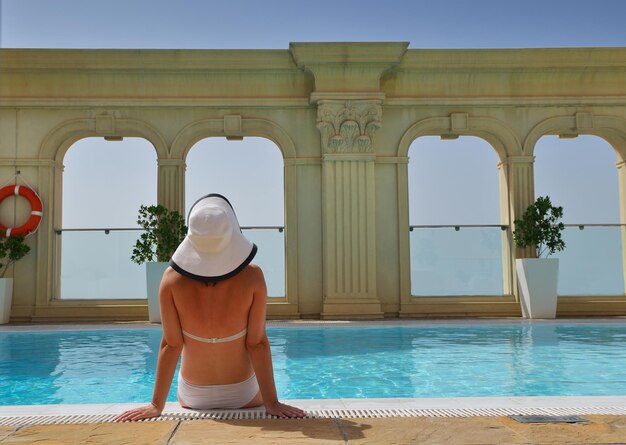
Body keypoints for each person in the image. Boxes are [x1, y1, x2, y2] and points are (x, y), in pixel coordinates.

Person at [116, 194, 305, 421]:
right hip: (243, 394)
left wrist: (156, 404)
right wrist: (272, 403)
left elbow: (171, 345)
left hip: (194, 396)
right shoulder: (253, 277)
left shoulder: (171, 279)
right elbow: (257, 344)